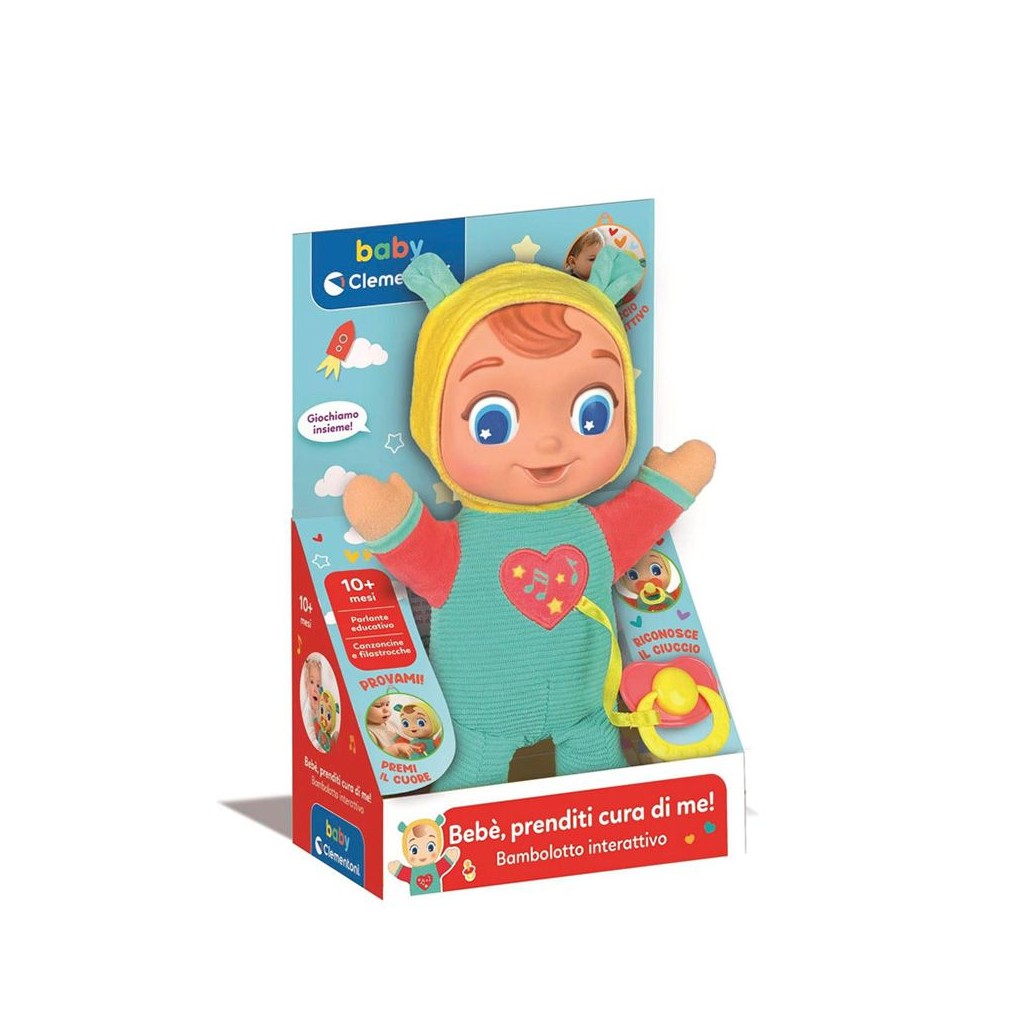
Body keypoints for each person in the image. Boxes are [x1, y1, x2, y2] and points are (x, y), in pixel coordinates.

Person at [343, 249, 715, 791]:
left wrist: (672, 482)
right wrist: (390, 519)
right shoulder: (465, 546)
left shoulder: (593, 532)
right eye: (494, 421)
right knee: (466, 785)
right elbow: (417, 551)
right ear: (432, 421)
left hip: (587, 711)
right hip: (475, 724)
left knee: (598, 767)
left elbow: (643, 516)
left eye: (592, 412)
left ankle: (610, 816)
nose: (549, 443)